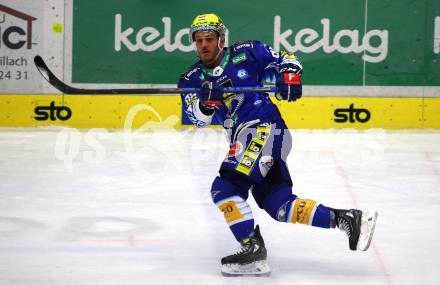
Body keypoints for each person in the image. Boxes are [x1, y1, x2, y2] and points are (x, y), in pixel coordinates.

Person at [177, 13, 378, 276]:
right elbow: (196, 118)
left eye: (209, 39)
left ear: (221, 39)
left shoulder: (247, 52)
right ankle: (347, 219)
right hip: (248, 138)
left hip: (265, 129)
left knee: (225, 187)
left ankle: (251, 248)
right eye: (199, 40)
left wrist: (290, 76)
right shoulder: (191, 79)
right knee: (279, 206)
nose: (204, 45)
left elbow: (287, 58)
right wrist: (205, 103)